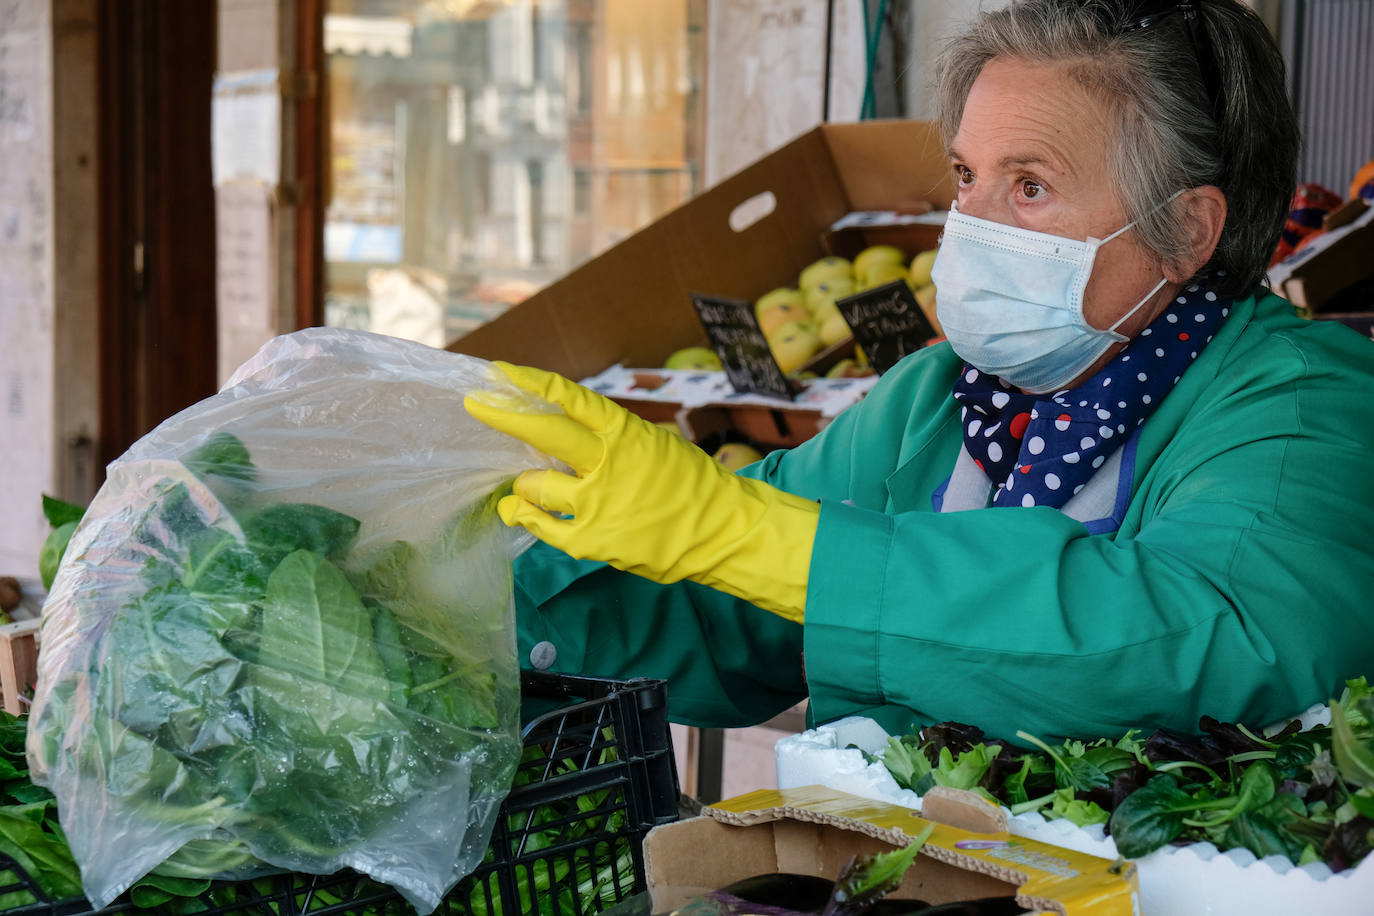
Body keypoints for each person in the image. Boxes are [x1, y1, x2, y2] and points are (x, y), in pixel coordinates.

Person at [465, 0, 1374, 742]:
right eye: (966, 176)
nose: (968, 226)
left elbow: (1204, 644)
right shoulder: (938, 400)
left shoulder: (1307, 400)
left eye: (1030, 187)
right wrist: (471, 600)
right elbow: (729, 611)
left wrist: (746, 536)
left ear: (1188, 229)